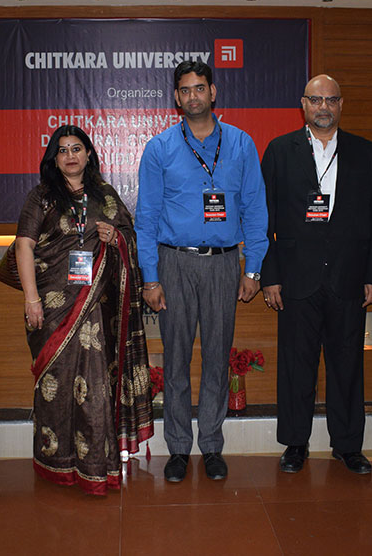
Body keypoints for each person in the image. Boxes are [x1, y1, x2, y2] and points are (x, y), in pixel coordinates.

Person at [135, 60, 268, 483]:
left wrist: (253, 270)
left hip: (225, 263)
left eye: (199, 88)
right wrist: (150, 278)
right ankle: (178, 447)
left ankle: (211, 444)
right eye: (185, 90)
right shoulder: (159, 148)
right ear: (176, 98)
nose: (193, 96)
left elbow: (255, 209)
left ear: (213, 92)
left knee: (216, 355)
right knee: (175, 358)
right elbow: (146, 218)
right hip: (174, 262)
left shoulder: (241, 144)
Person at [7, 125, 153, 495]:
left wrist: (115, 238)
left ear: (88, 154)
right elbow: (23, 246)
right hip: (51, 309)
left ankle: (95, 466)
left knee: (96, 387)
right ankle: (57, 463)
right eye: (62, 150)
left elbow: (129, 237)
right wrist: (31, 299)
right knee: (56, 386)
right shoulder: (41, 196)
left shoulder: (105, 196)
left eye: (76, 148)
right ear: (53, 159)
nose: (70, 155)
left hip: (97, 310)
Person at [260, 74, 372, 475]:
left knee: (347, 366)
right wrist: (270, 276)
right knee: (296, 366)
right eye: (316, 100)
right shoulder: (280, 150)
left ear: (341, 104)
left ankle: (348, 445)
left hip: (349, 279)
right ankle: (295, 443)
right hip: (296, 279)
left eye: (331, 100)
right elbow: (264, 218)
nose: (323, 107)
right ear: (303, 104)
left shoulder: (366, 153)